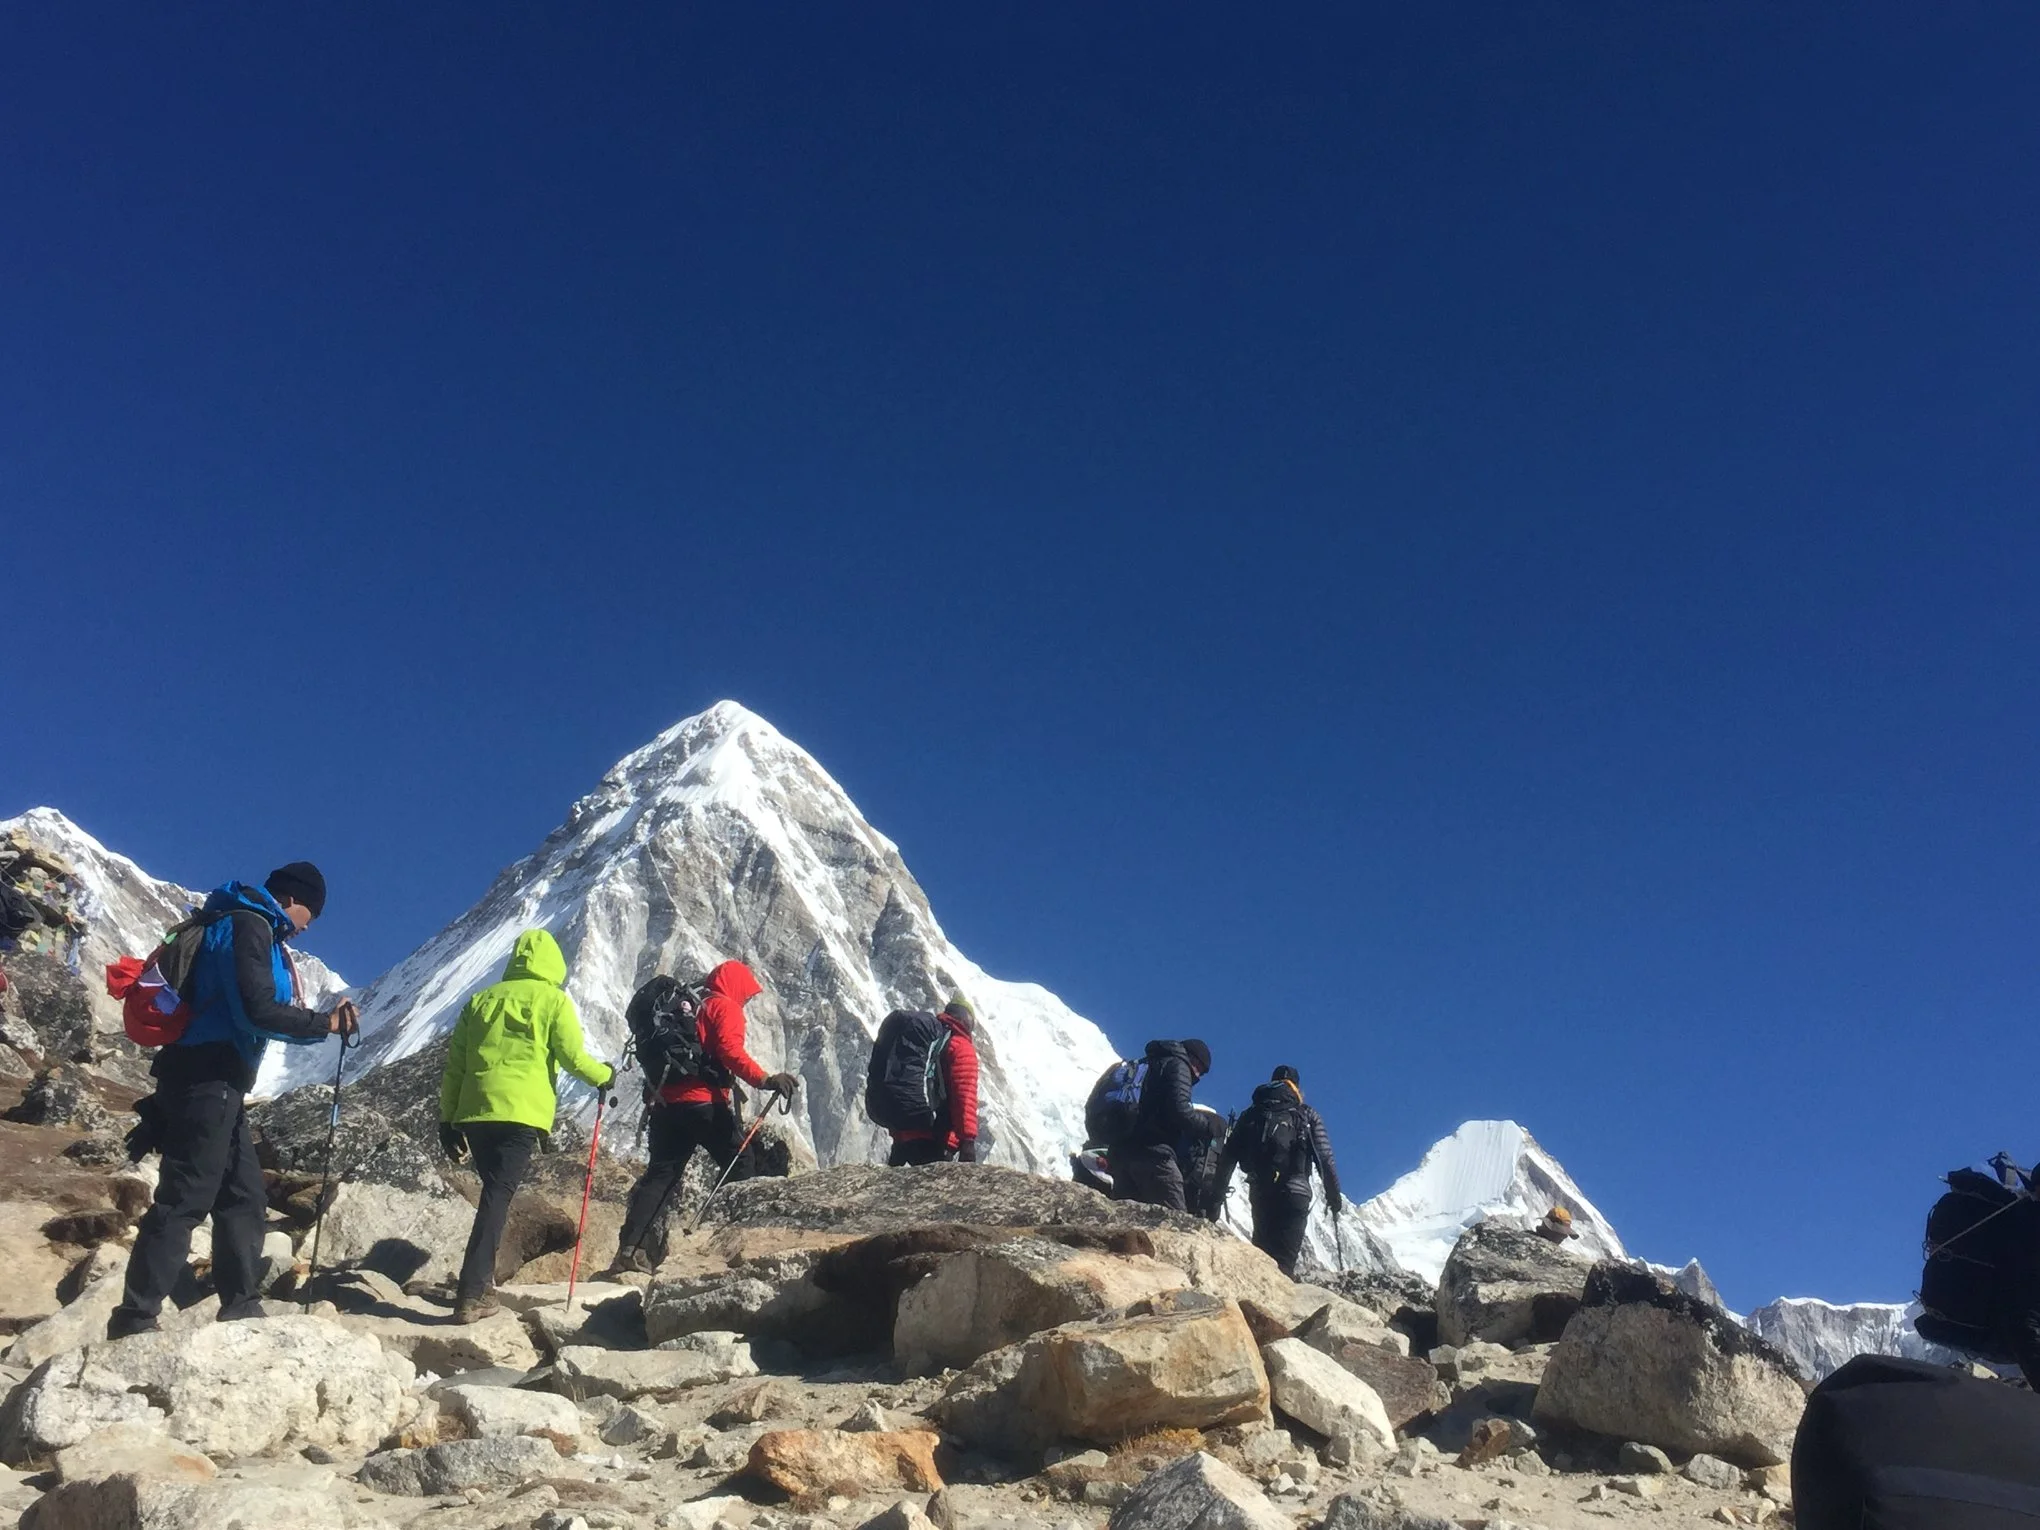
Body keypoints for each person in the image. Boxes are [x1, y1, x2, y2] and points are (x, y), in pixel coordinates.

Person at [109, 863, 358, 1339]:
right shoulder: (250, 925)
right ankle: (134, 1318)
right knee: (186, 1197)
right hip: (207, 1077)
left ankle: (240, 1306)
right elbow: (256, 1010)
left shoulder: (241, 923)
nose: (308, 926)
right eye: (311, 914)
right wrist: (324, 1024)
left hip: (217, 1082)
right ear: (292, 900)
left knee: (244, 1196)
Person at [437, 928, 613, 1322]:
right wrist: (605, 1076)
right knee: (498, 1196)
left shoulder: (479, 1001)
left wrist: (447, 1119)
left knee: (493, 1194)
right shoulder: (553, 1000)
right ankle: (473, 1290)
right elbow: (572, 1057)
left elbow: (455, 1068)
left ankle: (480, 1284)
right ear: (553, 962)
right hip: (521, 1114)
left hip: (476, 1113)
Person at [608, 960, 797, 1273]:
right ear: (737, 987)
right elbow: (730, 1051)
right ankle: (733, 1241)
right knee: (741, 1162)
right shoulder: (724, 1007)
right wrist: (765, 1080)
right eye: (747, 994)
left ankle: (630, 1249)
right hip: (704, 1103)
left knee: (661, 1175)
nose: (747, 1000)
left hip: (665, 1105)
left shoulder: (689, 1005)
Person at [1213, 1065, 1343, 1277]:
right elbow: (1325, 1158)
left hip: (1261, 1192)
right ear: (1297, 1088)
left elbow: (1228, 1156)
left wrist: (1216, 1196)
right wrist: (1334, 1196)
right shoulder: (1306, 1114)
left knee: (1262, 1259)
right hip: (1295, 1193)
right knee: (1284, 1264)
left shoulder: (1252, 1114)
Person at [1114, 1038, 1220, 1212]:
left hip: (1124, 1151)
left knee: (1126, 1216)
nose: (1198, 1075)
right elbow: (1180, 1110)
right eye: (1199, 1068)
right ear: (1192, 1058)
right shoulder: (1179, 1065)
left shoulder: (1150, 1061)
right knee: (1177, 1220)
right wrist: (1206, 1126)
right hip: (1154, 1154)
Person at [886, 995, 981, 1166]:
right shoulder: (961, 1046)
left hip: (905, 1132)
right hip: (936, 1137)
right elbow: (964, 1094)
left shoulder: (929, 1041)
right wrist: (968, 1140)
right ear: (966, 1020)